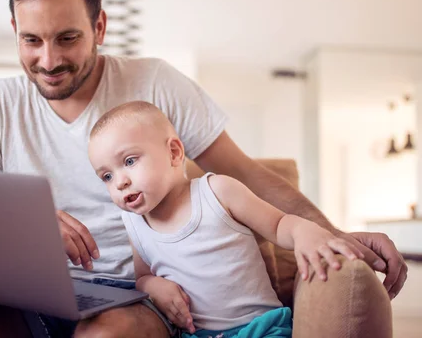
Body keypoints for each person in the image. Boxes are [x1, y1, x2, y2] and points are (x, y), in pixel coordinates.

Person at [0, 0, 407, 338]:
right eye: (32, 40)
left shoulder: (156, 84)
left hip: (130, 297)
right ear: (15, 30)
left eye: (67, 38)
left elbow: (247, 176)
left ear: (99, 26)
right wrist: (21, 223)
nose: (48, 60)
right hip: (20, 294)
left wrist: (336, 234)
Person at [87, 101, 366, 338]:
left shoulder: (217, 191)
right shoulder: (134, 222)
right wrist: (152, 286)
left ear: (174, 152)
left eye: (130, 161)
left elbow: (279, 225)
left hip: (260, 328)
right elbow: (143, 274)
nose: (120, 182)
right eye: (107, 176)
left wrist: (305, 231)